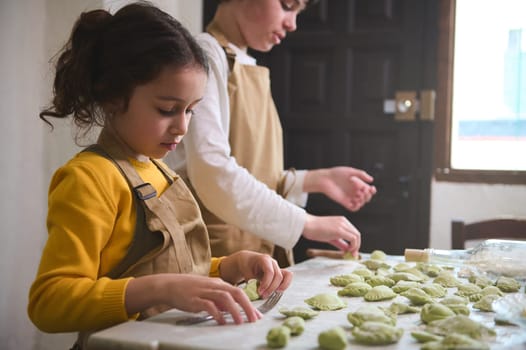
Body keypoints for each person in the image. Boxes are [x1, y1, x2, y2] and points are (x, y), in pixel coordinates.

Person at [27, 2, 292, 343]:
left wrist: (228, 267)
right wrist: (160, 289)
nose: (182, 127)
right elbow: (48, 303)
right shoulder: (89, 178)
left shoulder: (159, 171)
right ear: (112, 97)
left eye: (191, 111)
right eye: (167, 109)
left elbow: (173, 270)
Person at [164, 0, 377, 267]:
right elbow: (212, 171)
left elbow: (253, 171)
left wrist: (317, 179)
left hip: (251, 251)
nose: (293, 24)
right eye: (288, 5)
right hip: (217, 254)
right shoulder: (205, 54)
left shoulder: (246, 64)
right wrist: (305, 222)